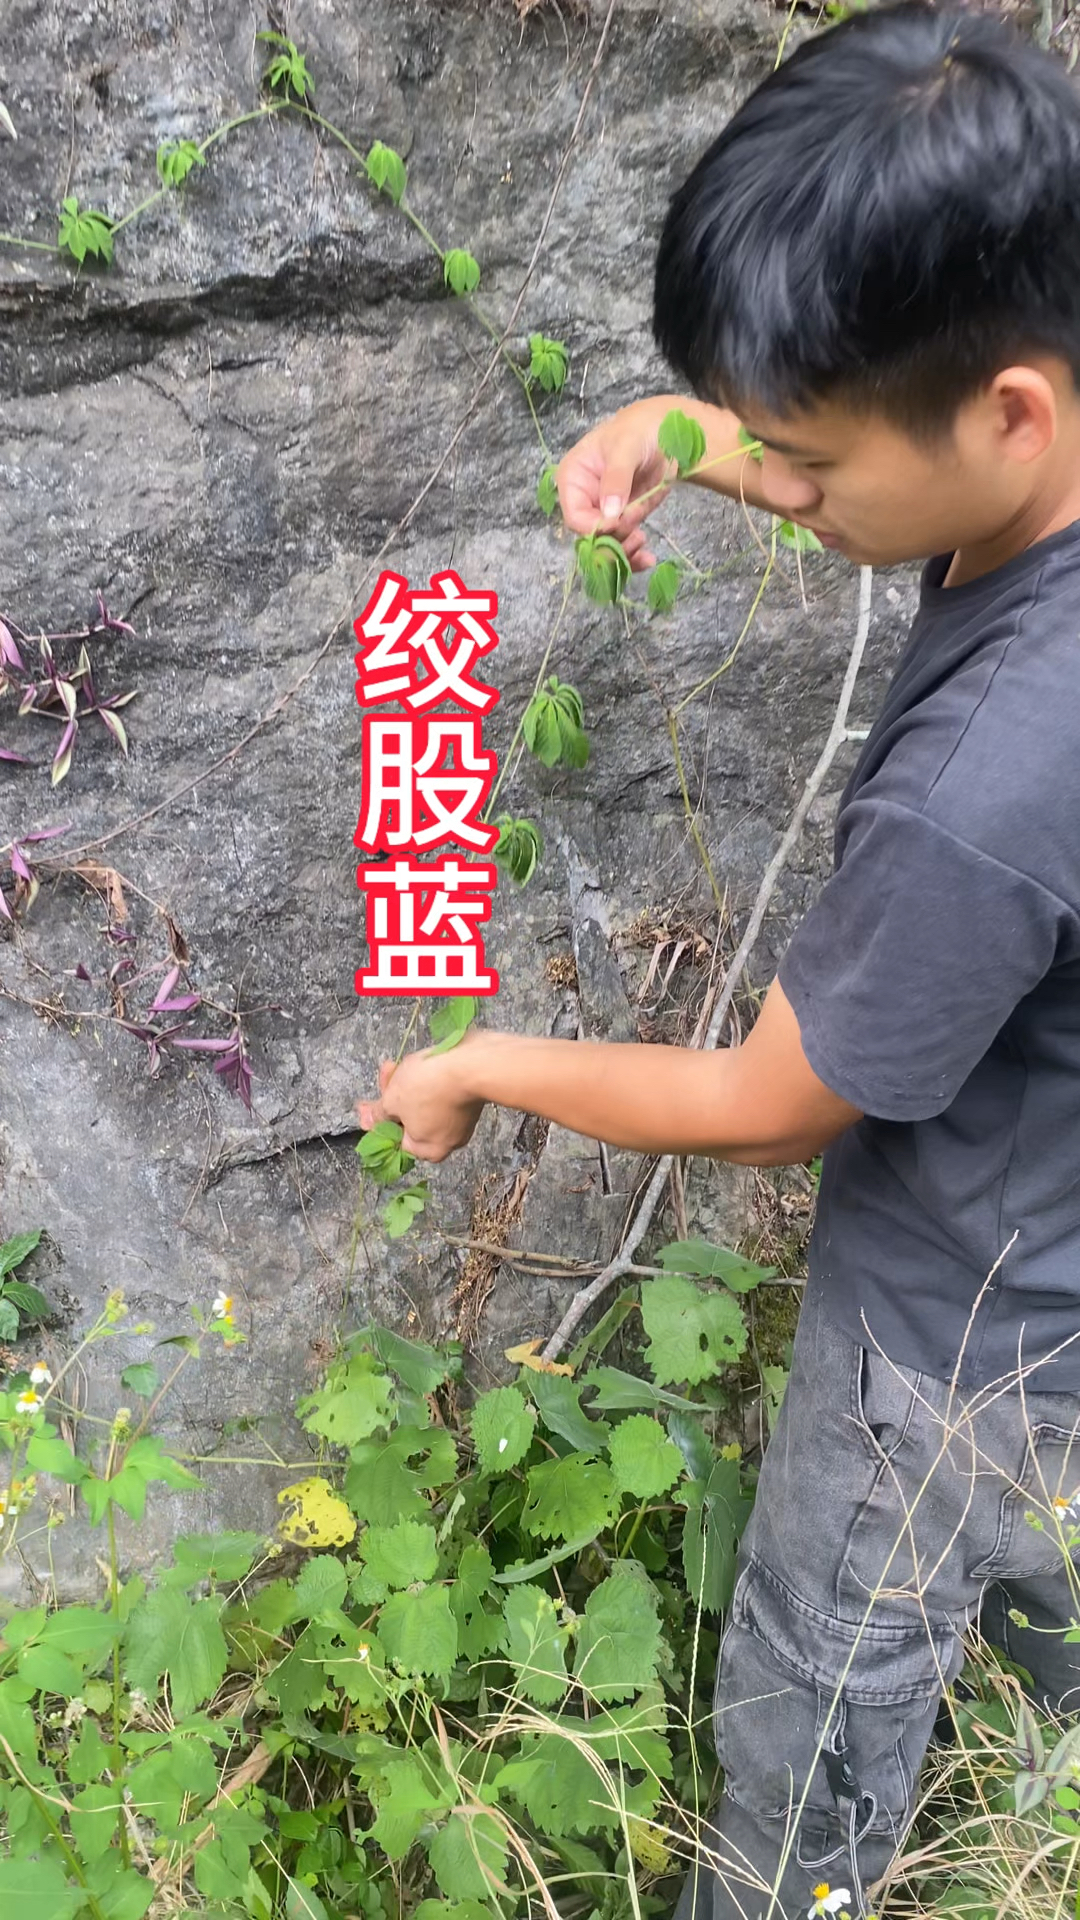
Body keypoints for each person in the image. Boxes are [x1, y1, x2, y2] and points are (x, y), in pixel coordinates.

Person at [356, 5, 1080, 1913]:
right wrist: (698, 435)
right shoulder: (1041, 419)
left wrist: (475, 1063)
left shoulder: (989, 782)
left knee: (814, 1744)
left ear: (1009, 407)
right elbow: (903, 462)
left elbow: (765, 1110)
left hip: (952, 1355)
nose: (793, 488)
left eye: (806, 459)